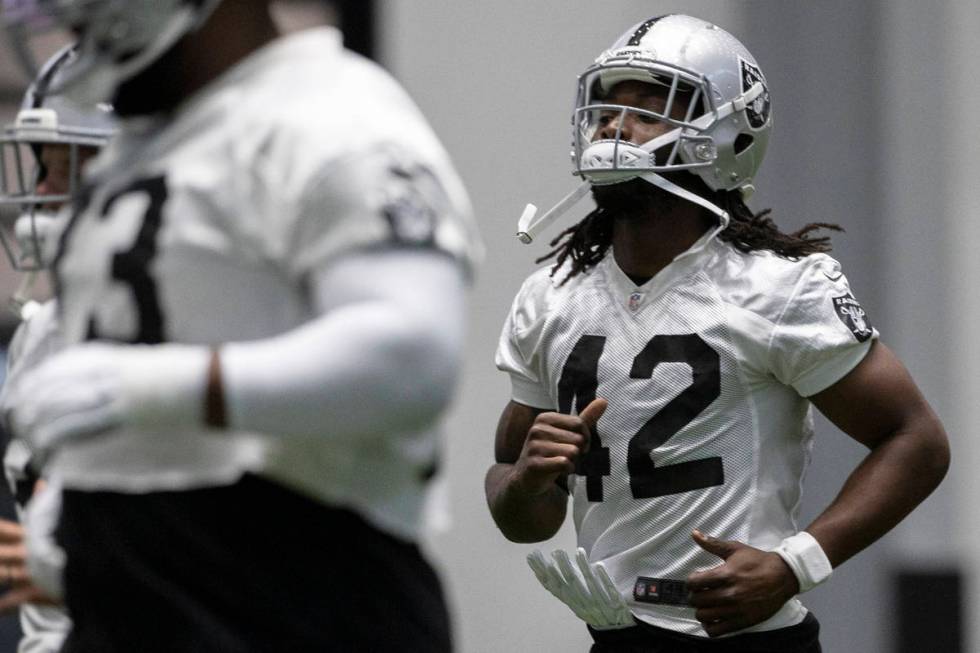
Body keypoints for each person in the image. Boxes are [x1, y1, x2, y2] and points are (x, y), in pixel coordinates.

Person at [1, 1, 480, 651]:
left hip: (297, 609)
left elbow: (413, 353)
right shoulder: (154, 140)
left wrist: (157, 388)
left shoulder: (329, 113)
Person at [486, 14, 948, 653]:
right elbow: (522, 516)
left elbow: (916, 441)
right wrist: (525, 483)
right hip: (614, 638)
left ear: (728, 133)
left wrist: (796, 564)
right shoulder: (551, 295)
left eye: (648, 111)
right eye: (605, 110)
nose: (614, 127)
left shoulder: (776, 288)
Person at [0, 44, 117, 653]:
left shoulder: (195, 330)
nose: (40, 194)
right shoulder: (38, 335)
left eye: (62, 170)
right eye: (39, 168)